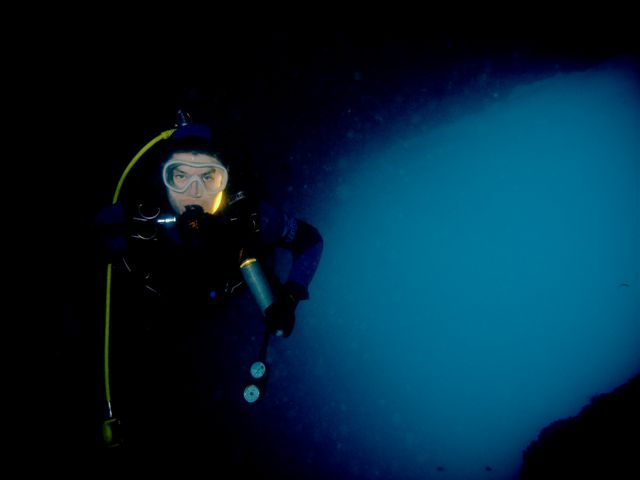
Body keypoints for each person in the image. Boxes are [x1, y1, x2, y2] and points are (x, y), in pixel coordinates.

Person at [93, 114, 323, 472]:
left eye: (209, 177)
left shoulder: (256, 219)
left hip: (228, 321)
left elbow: (310, 242)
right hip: (154, 321)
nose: (194, 192)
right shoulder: (134, 217)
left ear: (225, 180)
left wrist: (290, 297)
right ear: (163, 179)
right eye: (179, 176)